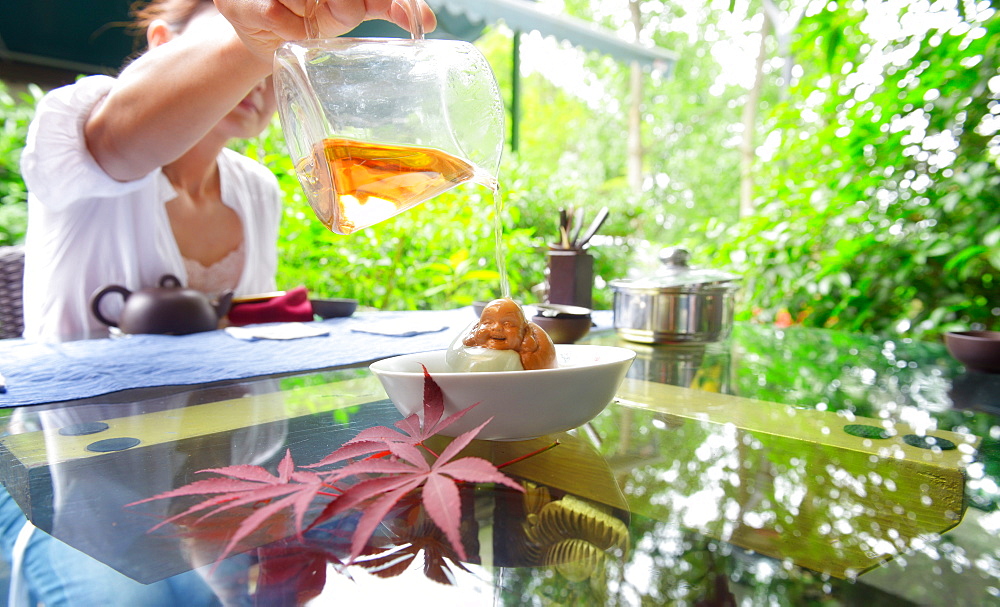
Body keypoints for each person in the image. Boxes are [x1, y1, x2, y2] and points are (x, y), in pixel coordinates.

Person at [19, 0, 436, 342]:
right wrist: (252, 44)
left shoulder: (254, 188)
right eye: (229, 38)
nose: (254, 76)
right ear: (162, 44)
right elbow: (115, 143)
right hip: (75, 430)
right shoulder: (76, 130)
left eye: (273, 59)